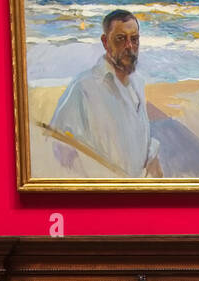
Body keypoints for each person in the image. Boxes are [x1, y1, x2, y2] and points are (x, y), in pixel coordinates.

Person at [47, 9, 162, 179]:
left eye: (134, 39)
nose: (129, 46)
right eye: (121, 39)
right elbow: (58, 147)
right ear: (105, 42)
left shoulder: (137, 84)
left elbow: (139, 140)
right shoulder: (84, 87)